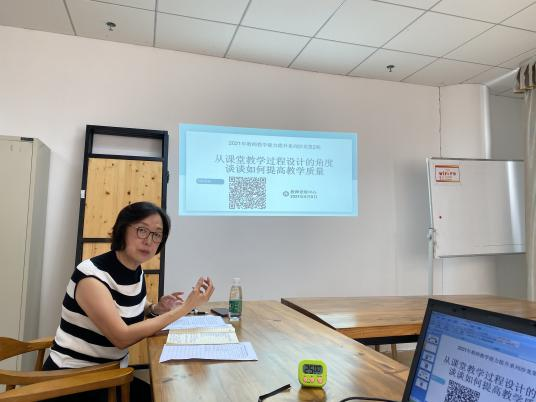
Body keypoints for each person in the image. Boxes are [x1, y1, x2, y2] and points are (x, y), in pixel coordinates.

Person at [43, 201, 214, 401]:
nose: (149, 240)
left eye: (157, 235)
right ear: (122, 229)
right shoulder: (91, 276)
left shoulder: (135, 270)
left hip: (110, 375)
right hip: (73, 381)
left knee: (173, 394)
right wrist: (186, 307)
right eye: (142, 230)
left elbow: (124, 307)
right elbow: (121, 337)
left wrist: (155, 308)